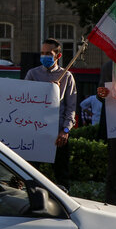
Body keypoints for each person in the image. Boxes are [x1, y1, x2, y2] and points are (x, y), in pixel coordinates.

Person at [25, 38, 77, 190]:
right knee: (30, 175)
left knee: (62, 177)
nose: (44, 56)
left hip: (58, 135)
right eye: (42, 53)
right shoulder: (32, 74)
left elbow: (71, 108)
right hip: (35, 132)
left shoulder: (66, 76)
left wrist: (65, 130)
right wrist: (43, 90)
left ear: (58, 56)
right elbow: (23, 100)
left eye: (48, 53)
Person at [97, 60, 116, 205]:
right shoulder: (109, 66)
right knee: (114, 169)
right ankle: (112, 205)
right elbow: (102, 93)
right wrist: (101, 94)